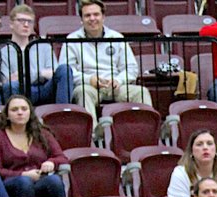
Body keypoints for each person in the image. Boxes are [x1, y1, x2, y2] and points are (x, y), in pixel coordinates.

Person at [65, 0, 153, 128]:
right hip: (89, 86)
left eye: (96, 14)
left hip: (116, 86)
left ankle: (146, 132)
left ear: (103, 17)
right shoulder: (71, 40)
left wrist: (119, 80)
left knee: (141, 91)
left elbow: (132, 68)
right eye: (87, 15)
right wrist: (89, 80)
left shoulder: (117, 37)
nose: (92, 19)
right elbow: (67, 71)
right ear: (81, 19)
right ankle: (93, 136)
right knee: (82, 92)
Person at [0, 94, 67, 197]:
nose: (20, 112)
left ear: (30, 113)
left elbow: (61, 157)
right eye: (14, 110)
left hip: (39, 180)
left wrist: (51, 162)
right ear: (7, 115)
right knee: (24, 182)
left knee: (54, 180)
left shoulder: (42, 133)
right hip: (13, 184)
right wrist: (23, 174)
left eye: (24, 109)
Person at [0, 4, 74, 104]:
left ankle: (62, 113)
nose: (26, 24)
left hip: (44, 90)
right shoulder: (4, 52)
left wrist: (25, 75)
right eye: (21, 20)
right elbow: (7, 82)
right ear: (11, 24)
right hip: (20, 92)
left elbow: (53, 74)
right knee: (11, 87)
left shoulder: (44, 46)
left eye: (30, 21)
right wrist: (41, 74)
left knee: (64, 69)